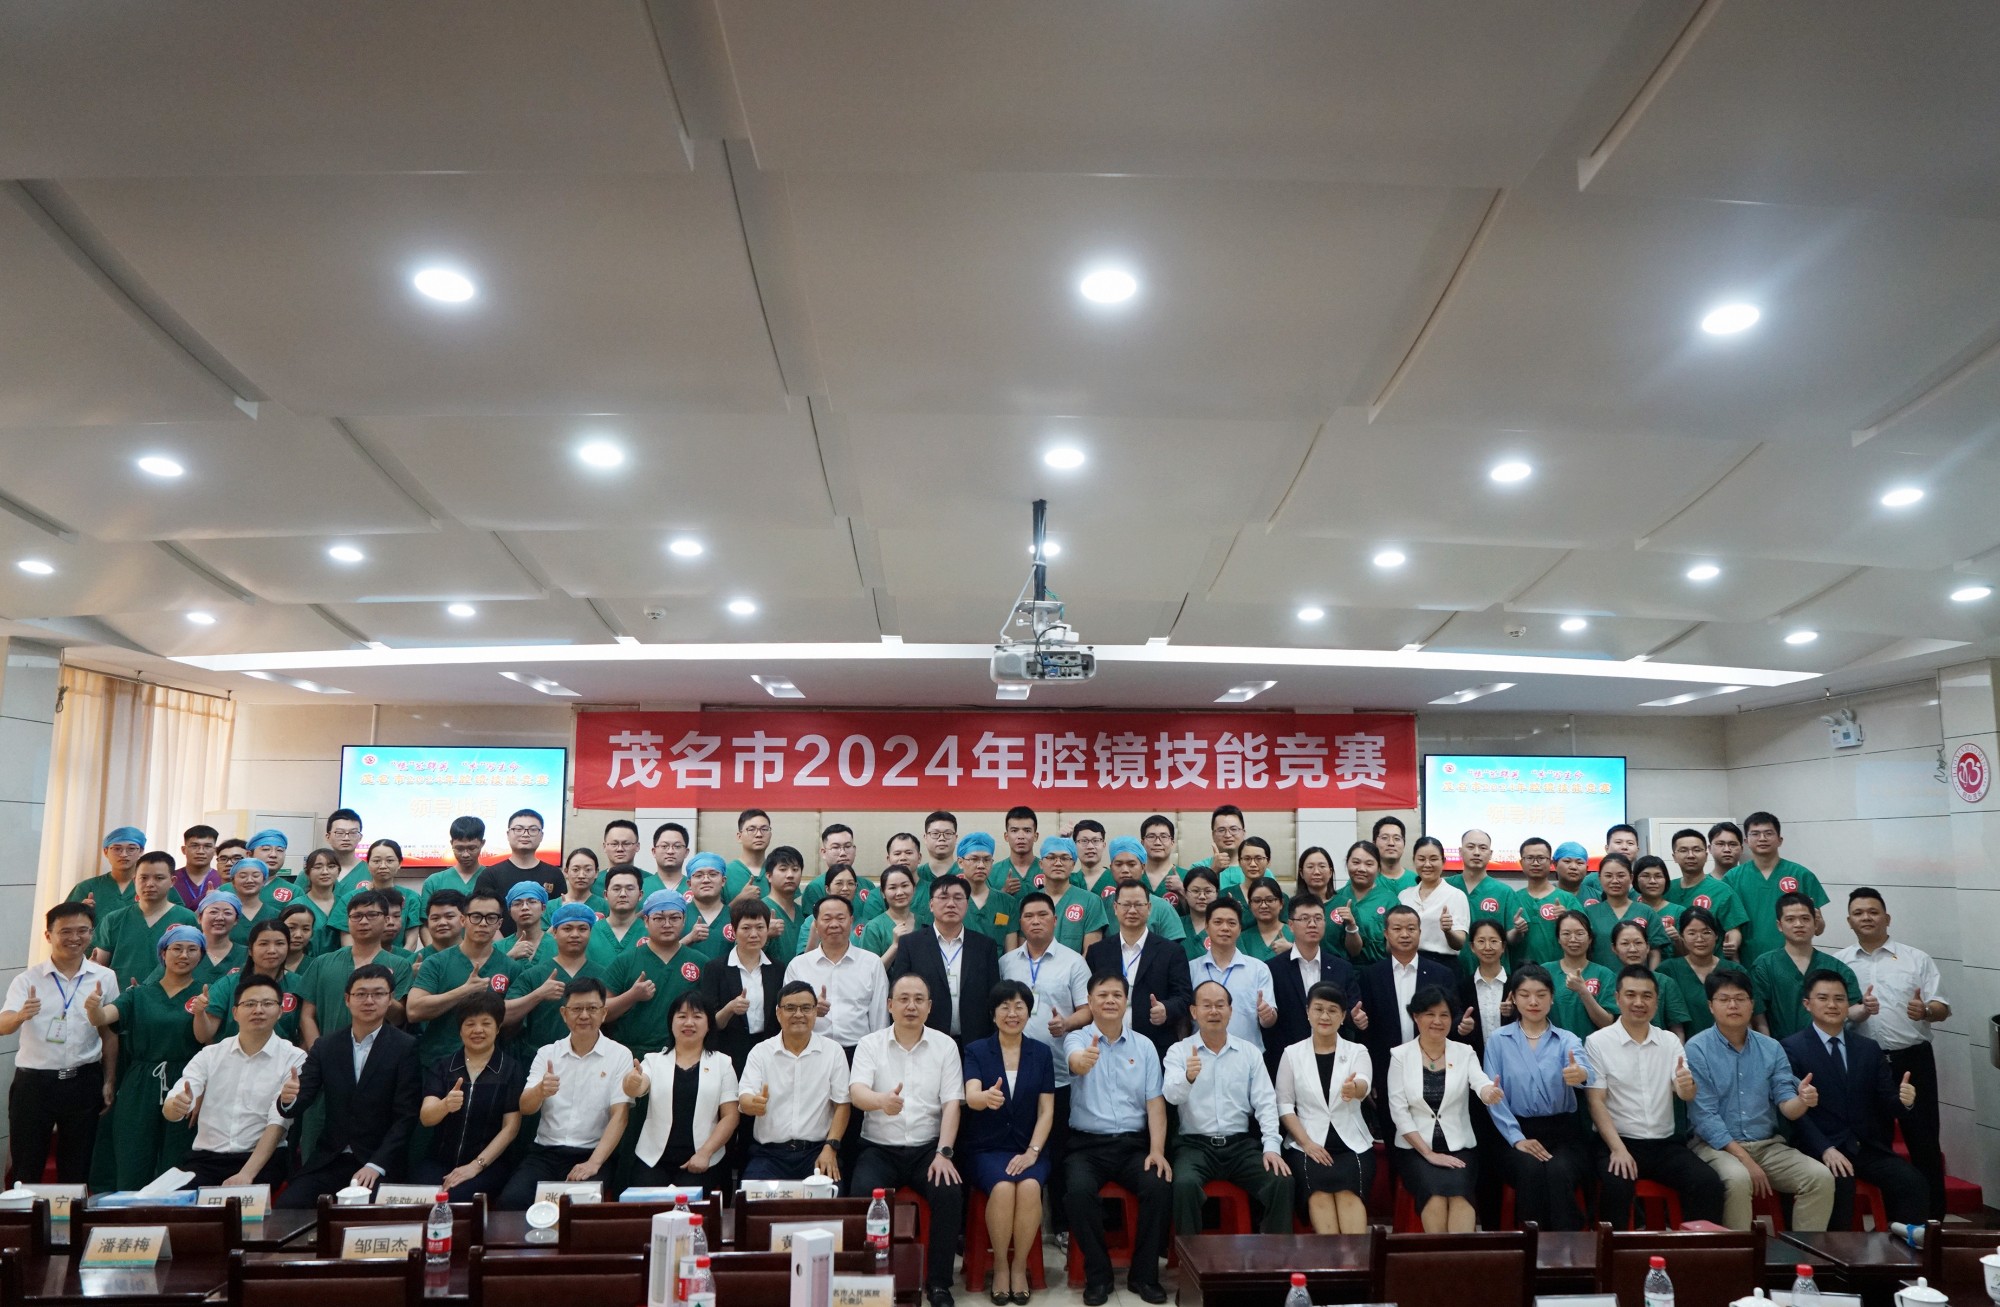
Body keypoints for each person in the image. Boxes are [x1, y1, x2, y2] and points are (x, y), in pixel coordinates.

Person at [1684, 968, 1834, 1231]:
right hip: (1716, 1147)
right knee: (1738, 1178)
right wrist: (1745, 1160)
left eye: (1740, 998)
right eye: (1724, 999)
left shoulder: (1771, 1047)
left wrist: (1803, 1100)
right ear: (1710, 1006)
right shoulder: (1697, 1048)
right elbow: (1705, 1117)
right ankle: (1741, 1254)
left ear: (1752, 1004)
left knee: (1820, 1177)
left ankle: (1801, 1253)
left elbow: (1787, 1106)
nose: (1733, 1005)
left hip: (1767, 1146)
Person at [850, 973, 967, 1307]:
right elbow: (857, 1092)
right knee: (860, 1195)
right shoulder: (870, 1044)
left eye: (918, 999)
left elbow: (952, 1104)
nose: (911, 1006)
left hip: (928, 1149)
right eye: (903, 999)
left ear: (929, 1007)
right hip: (879, 1148)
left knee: (949, 1193)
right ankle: (869, 1280)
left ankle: (939, 1284)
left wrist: (944, 1153)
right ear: (890, 1005)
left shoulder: (945, 1046)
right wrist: (881, 1102)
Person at [1782, 968, 1928, 1230]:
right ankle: (1836, 1254)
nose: (1832, 1005)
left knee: (1911, 1181)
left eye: (1839, 999)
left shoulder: (1867, 1048)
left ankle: (1898, 1247)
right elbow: (1794, 1113)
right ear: (1807, 1004)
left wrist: (1905, 1101)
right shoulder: (1791, 1048)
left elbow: (1887, 1100)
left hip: (1865, 1147)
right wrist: (1825, 1148)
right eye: (1823, 998)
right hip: (1820, 1147)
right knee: (1840, 1183)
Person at [1834, 888, 1949, 1220]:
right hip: (1865, 1065)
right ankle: (1892, 1223)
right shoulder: (1839, 963)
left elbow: (1942, 1007)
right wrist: (1857, 1010)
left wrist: (1925, 1010)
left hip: (1913, 1059)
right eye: (1858, 913)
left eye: (1873, 911)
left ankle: (1933, 1224)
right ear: (1849, 921)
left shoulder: (1916, 958)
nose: (1866, 918)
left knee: (1924, 1143)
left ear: (1887, 917)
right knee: (1876, 1147)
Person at [1584, 966, 1725, 1226]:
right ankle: (1611, 1251)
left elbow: (1685, 1092)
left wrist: (1687, 1086)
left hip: (1664, 1145)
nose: (1639, 1002)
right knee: (1616, 1187)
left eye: (1647, 996)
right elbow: (1595, 1102)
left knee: (1707, 1183)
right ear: (1617, 998)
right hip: (1618, 1141)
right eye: (1631, 995)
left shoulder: (1670, 1041)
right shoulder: (1597, 1042)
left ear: (1656, 1001)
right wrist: (1618, 1149)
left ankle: (1693, 1249)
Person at [1062, 972, 1172, 1306]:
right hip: (1086, 1145)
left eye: (1117, 995)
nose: (1110, 1000)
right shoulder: (1077, 1038)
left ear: (1126, 1001)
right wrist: (1083, 1062)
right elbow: (1075, 1062)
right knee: (1077, 1192)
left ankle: (1144, 1275)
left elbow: (1155, 1103)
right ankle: (1098, 1277)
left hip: (1132, 1145)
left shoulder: (1145, 1046)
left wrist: (1157, 1150)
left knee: (1158, 1184)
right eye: (1102, 995)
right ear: (1090, 1001)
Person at [276, 963, 422, 1207]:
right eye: (361, 994)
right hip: (330, 1159)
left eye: (378, 994)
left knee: (364, 1213)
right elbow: (301, 1099)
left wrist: (377, 1164)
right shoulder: (326, 1046)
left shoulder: (405, 1047)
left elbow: (406, 1116)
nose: (369, 1001)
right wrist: (288, 1099)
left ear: (390, 999)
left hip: (378, 1161)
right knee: (288, 1206)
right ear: (347, 999)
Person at [1, 903, 119, 1183]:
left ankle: (72, 1213)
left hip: (83, 1080)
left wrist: (109, 1079)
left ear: (92, 933)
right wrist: (20, 1015)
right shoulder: (27, 980)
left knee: (77, 1169)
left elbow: (109, 1033)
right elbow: (3, 1025)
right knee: (26, 1168)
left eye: (82, 931)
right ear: (48, 935)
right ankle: (27, 1213)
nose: (74, 938)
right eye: (65, 931)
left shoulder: (105, 977)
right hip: (34, 1084)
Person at [1164, 981, 1293, 1234]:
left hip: (1240, 1146)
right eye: (1207, 1005)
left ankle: (1276, 1254)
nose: (1214, 1011)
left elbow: (1266, 1102)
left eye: (1220, 1005)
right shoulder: (1179, 1051)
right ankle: (1189, 1256)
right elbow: (1171, 1096)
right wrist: (1188, 1077)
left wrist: (1271, 1147)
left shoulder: (1249, 1052)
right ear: (1193, 1012)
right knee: (1184, 1185)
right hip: (1195, 1146)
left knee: (1281, 1181)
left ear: (1230, 1011)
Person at [83, 924, 203, 1192]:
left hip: (186, 1081)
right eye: (177, 948)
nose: (184, 955)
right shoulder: (138, 994)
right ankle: (132, 1213)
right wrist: (93, 1009)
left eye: (192, 949)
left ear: (201, 955)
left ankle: (175, 1215)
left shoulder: (205, 996)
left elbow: (208, 1037)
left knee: (177, 1161)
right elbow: (104, 1017)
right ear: (163, 953)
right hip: (140, 1081)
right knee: (133, 1156)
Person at [499, 978, 633, 1207]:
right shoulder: (547, 1053)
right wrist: (540, 1091)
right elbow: (526, 1107)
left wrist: (593, 1163)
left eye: (592, 1008)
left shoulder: (620, 1055)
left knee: (582, 1208)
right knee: (511, 1202)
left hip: (592, 1153)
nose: (584, 1015)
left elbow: (620, 1116)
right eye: (576, 1009)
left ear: (603, 1013)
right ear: (564, 1014)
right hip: (544, 1154)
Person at [961, 979, 1056, 1306]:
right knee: (1002, 1188)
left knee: (1029, 1187)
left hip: (1030, 1147)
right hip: (987, 1148)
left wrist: (1032, 1152)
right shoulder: (976, 1050)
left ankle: (1019, 1267)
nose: (1012, 1013)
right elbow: (971, 1095)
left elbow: (1047, 1111)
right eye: (1004, 1006)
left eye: (1019, 1006)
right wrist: (984, 1098)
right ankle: (1001, 1265)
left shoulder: (1041, 1053)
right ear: (993, 1014)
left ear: (1029, 1012)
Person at [163, 972, 305, 1187]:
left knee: (240, 1203)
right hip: (206, 1160)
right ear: (235, 1013)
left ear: (280, 1011)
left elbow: (279, 1123)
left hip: (262, 1161)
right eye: (250, 1004)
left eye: (267, 1003)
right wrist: (176, 1106)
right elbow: (176, 1101)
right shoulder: (210, 1055)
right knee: (168, 1200)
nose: (258, 1010)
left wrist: (246, 1174)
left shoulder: (294, 1058)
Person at [1480, 964, 1595, 1230]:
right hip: (1515, 1131)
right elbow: (1493, 1096)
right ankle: (1532, 1243)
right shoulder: (1498, 1040)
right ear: (1513, 998)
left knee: (1559, 1170)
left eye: (1541, 995)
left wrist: (1579, 1074)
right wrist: (1516, 1138)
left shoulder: (1566, 1039)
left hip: (1563, 1134)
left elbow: (1584, 1069)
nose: (1533, 1002)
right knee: (1529, 1169)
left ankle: (1567, 1245)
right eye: (1525, 994)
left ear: (1552, 998)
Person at [1388, 985, 1501, 1232]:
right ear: (1416, 1017)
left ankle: (1460, 1256)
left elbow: (1479, 1081)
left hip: (1459, 1146)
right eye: (1430, 1014)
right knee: (1436, 1198)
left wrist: (1488, 1092)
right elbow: (1399, 1112)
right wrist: (1428, 1153)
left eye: (1444, 1015)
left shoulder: (1464, 1052)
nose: (1437, 1021)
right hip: (1415, 1149)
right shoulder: (1400, 1056)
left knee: (1460, 1197)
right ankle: (1437, 1256)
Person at [1276, 982, 1373, 1233]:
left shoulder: (1357, 1050)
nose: (1325, 1016)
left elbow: (1363, 1082)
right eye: (1318, 1009)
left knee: (1348, 1197)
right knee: (1319, 1197)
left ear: (1343, 1016)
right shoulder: (1291, 1054)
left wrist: (1354, 1089)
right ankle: (1331, 1257)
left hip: (1352, 1144)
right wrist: (1307, 1143)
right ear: (1307, 1012)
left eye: (1332, 1010)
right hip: (1307, 1144)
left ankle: (1357, 1257)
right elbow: (1284, 1105)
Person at [415, 990, 527, 1201]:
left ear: (498, 1027)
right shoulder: (443, 1066)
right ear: (460, 1030)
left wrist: (475, 1166)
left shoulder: (511, 1069)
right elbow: (426, 1117)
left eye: (486, 1023)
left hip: (488, 1165)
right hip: (439, 1161)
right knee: (423, 1198)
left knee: (457, 1198)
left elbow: (511, 1128)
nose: (478, 1030)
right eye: (470, 1024)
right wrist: (445, 1105)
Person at [737, 980, 852, 1182]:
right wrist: (752, 1104)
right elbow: (745, 1097)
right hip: (769, 1154)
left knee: (830, 1197)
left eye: (806, 1008)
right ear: (778, 1013)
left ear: (815, 1012)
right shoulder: (760, 1052)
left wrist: (831, 1148)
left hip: (817, 1151)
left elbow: (842, 1105)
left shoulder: (833, 1051)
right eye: (790, 1008)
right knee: (750, 1197)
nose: (798, 1014)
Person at [626, 993, 741, 1190]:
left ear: (709, 1024)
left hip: (704, 1158)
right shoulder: (653, 1060)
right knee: (645, 1205)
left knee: (691, 1206)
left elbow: (731, 1116)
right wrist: (632, 1082)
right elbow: (637, 1087)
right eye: (681, 1016)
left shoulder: (723, 1063)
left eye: (697, 1016)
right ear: (671, 1023)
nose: (689, 1022)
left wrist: (705, 1153)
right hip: (652, 1159)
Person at [406, 888, 526, 1066]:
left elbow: (514, 1022)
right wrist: (464, 991)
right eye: (476, 916)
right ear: (463, 920)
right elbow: (414, 1011)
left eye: (491, 918)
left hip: (490, 1066)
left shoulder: (511, 968)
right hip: (439, 1062)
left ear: (499, 923)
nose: (483, 923)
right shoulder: (436, 963)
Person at [1351, 904, 1456, 1102]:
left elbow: (1452, 1020)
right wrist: (1370, 1075)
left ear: (1420, 932)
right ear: (1386, 933)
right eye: (1397, 929)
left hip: (1434, 1067)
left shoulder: (1441, 974)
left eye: (1411, 928)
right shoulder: (1370, 976)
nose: (1405, 934)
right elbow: (1366, 1033)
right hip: (1385, 1069)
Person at [890, 874, 1004, 1044]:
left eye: (958, 898)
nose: (951, 904)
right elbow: (899, 992)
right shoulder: (911, 944)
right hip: (924, 1041)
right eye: (943, 897)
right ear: (931, 904)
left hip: (975, 1042)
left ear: (967, 904)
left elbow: (994, 997)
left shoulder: (985, 946)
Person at [299, 888, 414, 1046]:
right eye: (356, 916)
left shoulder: (400, 965)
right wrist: (318, 1052)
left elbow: (399, 1018)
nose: (363, 921)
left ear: (386, 920)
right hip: (327, 1052)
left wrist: (378, 990)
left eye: (372, 915)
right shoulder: (322, 962)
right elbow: (307, 1016)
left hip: (381, 1054)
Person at [1262, 895, 1355, 1078]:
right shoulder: (1272, 969)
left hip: (1334, 1060)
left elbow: (1351, 1009)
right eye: (1305, 919)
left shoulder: (1341, 967)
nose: (1312, 924)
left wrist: (1356, 1017)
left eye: (1318, 918)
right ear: (1291, 925)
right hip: (1287, 1060)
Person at [605, 890, 707, 1057]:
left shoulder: (700, 962)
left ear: (684, 920)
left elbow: (710, 1015)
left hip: (684, 1055)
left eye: (674, 918)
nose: (667, 924)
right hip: (633, 1056)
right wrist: (631, 996)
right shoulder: (626, 961)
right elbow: (600, 1012)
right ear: (646, 921)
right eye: (659, 918)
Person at [785, 894, 890, 1053]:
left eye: (841, 918)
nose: (834, 924)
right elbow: (786, 1012)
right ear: (816, 924)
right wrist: (810, 1009)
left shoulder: (872, 963)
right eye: (827, 919)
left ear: (851, 921)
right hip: (812, 1050)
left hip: (859, 1051)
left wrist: (878, 1053)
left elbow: (880, 1016)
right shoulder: (798, 966)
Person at [1751, 893, 1862, 1041]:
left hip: (1827, 1047)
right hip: (1781, 1048)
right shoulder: (1764, 965)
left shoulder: (1836, 967)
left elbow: (1851, 1009)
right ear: (1779, 925)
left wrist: (1866, 1009)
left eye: (1805, 918)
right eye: (1790, 919)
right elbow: (1759, 1017)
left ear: (1815, 923)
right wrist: (1770, 1049)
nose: (1799, 924)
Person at [1725, 812, 1828, 963]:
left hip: (1795, 961)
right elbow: (1730, 927)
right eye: (1755, 834)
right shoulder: (1732, 878)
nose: (1762, 838)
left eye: (1768, 833)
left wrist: (1817, 921)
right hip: (1748, 962)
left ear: (1780, 840)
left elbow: (1819, 929)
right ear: (1746, 841)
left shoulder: (1801, 875)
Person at [698, 897, 784, 1073]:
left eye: (760, 927)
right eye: (746, 928)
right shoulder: (715, 969)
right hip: (728, 1054)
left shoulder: (778, 969)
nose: (754, 934)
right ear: (734, 930)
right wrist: (729, 1008)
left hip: (769, 1052)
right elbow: (709, 1023)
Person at [91, 850, 198, 990]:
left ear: (172, 881)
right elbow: (99, 965)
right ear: (135, 880)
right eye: (144, 878)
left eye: (159, 878)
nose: (150, 884)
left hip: (169, 997)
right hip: (119, 997)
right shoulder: (114, 919)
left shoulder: (186, 918)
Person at [513, 902, 610, 1054]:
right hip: (541, 1059)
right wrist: (538, 995)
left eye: (582, 929)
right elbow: (505, 1014)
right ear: (554, 932)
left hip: (592, 1059)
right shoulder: (534, 975)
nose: (575, 934)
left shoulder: (604, 975)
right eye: (567, 928)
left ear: (590, 932)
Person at [1186, 900, 1278, 1053]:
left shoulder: (1258, 969)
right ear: (1207, 927)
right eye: (1218, 922)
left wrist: (1267, 1015)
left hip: (1247, 1056)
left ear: (1240, 928)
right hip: (1201, 1055)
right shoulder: (1192, 969)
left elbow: (1269, 1021)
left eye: (1231, 923)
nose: (1225, 928)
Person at [199, 919, 304, 1045]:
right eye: (263, 944)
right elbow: (203, 1036)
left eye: (280, 943)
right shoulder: (228, 984)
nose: (272, 950)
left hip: (283, 1056)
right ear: (250, 950)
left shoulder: (299, 984)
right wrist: (200, 1013)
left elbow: (305, 1033)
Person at [1656, 907, 1747, 1039]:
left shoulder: (1735, 970)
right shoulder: (1667, 970)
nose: (1700, 939)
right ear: (1682, 936)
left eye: (1706, 932)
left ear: (1716, 935)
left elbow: (1748, 1017)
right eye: (1692, 933)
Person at [1665, 829, 1747, 960]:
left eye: (1697, 850)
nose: (1691, 855)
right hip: (1674, 965)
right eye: (1683, 850)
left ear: (1706, 854)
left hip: (1712, 966)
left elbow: (1733, 928)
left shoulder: (1722, 890)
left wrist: (1733, 943)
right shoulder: (1666, 889)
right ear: (1674, 856)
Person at [417, 816, 505, 932]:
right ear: (451, 843)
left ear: (482, 843)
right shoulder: (434, 881)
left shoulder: (493, 878)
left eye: (472, 848)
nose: (465, 854)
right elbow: (425, 925)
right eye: (459, 849)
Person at [335, 839, 422, 950]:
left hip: (399, 959)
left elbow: (411, 942)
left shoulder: (411, 898)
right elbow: (347, 942)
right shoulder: (350, 899)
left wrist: (398, 961)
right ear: (367, 864)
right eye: (376, 861)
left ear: (400, 863)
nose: (383, 866)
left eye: (389, 861)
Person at [1608, 919, 1690, 1035]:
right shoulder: (1609, 982)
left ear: (1647, 947)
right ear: (1614, 948)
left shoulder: (1665, 982)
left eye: (1638, 943)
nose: (1633, 949)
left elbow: (1677, 1029)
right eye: (1625, 944)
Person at [1508, 838, 1581, 966]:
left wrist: (1567, 919)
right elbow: (1504, 939)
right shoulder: (1512, 898)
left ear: (1551, 862)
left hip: (1561, 971)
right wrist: (1517, 931)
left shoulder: (1567, 899)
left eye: (1541, 858)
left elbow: (1586, 936)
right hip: (1522, 973)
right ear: (1521, 862)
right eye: (1530, 858)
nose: (1535, 863)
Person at [1549, 911, 1618, 1039]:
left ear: (1590, 938)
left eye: (1580, 933)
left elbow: (1607, 1023)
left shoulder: (1604, 974)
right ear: (1558, 939)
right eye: (1566, 934)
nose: (1573, 939)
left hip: (1592, 1048)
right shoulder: (1545, 971)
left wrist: (1583, 992)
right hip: (1552, 1047)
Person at [1329, 840, 1400, 963]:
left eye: (1369, 864)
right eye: (1356, 862)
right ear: (1347, 863)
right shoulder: (1335, 898)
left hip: (1378, 968)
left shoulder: (1389, 900)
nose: (1361, 869)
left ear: (1378, 868)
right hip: (1339, 968)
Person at [1034, 835, 1108, 953]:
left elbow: (1091, 953)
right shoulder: (1030, 902)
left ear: (1073, 864)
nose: (1058, 863)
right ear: (1041, 864)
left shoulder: (1091, 902)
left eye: (1064, 858)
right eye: (1051, 858)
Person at [1400, 837, 1468, 962]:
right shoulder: (1404, 896)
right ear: (1414, 860)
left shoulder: (1456, 896)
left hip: (1443, 963)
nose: (1427, 864)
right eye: (1421, 859)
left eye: (1433, 859)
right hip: (1409, 961)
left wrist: (1448, 931)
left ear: (1443, 861)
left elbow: (1459, 943)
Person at [1584, 855, 1654, 968]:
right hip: (1600, 978)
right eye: (1608, 876)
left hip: (1639, 978)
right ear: (1600, 878)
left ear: (1631, 878)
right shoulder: (1588, 913)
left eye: (1621, 875)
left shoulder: (1646, 911)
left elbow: (1655, 951)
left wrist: (1650, 976)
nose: (1615, 881)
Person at [1457, 920, 1511, 1056]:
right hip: (1474, 1059)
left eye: (1494, 941)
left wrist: (1514, 1012)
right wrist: (1462, 1026)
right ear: (1472, 947)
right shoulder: (1463, 987)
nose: (1487, 947)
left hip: (1512, 1058)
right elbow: (1456, 1022)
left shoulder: (1516, 985)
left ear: (1503, 946)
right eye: (1481, 941)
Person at [858, 864, 926, 964]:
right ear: (883, 893)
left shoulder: (924, 923)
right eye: (893, 888)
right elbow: (869, 970)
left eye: (905, 886)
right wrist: (895, 946)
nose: (900, 892)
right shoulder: (873, 928)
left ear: (914, 888)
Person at [70, 826, 146, 910]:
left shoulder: (148, 887)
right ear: (106, 852)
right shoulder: (87, 888)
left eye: (131, 849)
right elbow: (64, 916)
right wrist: (81, 912)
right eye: (117, 849)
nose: (124, 854)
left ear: (141, 851)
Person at [759, 845, 808, 967]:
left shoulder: (803, 914)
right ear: (769, 876)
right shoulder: (758, 909)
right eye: (783, 869)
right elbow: (741, 953)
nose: (790, 875)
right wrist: (765, 935)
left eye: (795, 869)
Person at [589, 866, 648, 967]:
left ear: (640, 895)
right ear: (605, 895)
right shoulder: (590, 933)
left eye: (630, 889)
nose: (623, 894)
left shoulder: (650, 933)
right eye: (616, 889)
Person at [496, 808, 561, 901]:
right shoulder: (490, 875)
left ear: (541, 835)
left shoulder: (555, 874)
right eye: (518, 829)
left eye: (533, 829)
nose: (525, 834)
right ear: (508, 834)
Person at [1139, 814, 1186, 913]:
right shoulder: (1134, 876)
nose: (1157, 842)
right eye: (1151, 837)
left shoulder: (1186, 876)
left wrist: (1182, 890)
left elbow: (1199, 915)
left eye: (1164, 837)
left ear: (1172, 842)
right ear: (1142, 843)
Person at [170, 824, 223, 912]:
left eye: (207, 846)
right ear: (183, 849)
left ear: (215, 851)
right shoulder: (170, 879)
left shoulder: (221, 879)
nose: (200, 851)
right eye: (194, 846)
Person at [725, 809, 773, 901]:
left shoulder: (778, 871)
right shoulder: (726, 873)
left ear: (770, 834)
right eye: (751, 829)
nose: (759, 834)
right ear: (739, 836)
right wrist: (739, 899)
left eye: (764, 829)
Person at [1220, 836, 1278, 912]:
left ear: (1268, 861)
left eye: (1259, 858)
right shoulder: (1225, 895)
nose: (1253, 864)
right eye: (1247, 859)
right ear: (1239, 862)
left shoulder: (1279, 897)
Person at [503, 881, 555, 965]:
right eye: (517, 903)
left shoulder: (558, 946)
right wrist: (510, 957)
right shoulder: (498, 948)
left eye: (532, 902)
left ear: (543, 908)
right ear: (510, 912)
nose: (525, 907)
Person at [554, 847, 607, 919]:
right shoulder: (551, 906)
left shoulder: (606, 906)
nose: (581, 876)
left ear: (596, 873)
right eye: (575, 870)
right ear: (566, 872)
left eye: (588, 870)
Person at [998, 805, 1040, 897]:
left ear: (1035, 836)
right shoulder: (993, 873)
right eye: (1014, 831)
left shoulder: (1047, 870)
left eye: (1027, 831)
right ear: (1006, 836)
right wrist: (1003, 893)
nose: (1021, 836)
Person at [1179, 868, 1219, 958]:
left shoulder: (1224, 927)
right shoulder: (1175, 925)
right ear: (1185, 893)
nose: (1202, 897)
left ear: (1217, 893)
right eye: (1195, 891)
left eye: (1208, 891)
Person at [1196, 805, 1246, 875]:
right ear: (1213, 835)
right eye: (1221, 830)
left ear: (1243, 833)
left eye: (1233, 829)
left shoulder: (1255, 868)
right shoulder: (1197, 868)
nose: (1228, 835)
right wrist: (1213, 870)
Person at [1371, 816, 1413, 891]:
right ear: (1374, 844)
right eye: (1384, 838)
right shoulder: (1365, 879)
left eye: (1397, 838)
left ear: (1404, 844)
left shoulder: (1416, 881)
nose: (1391, 843)